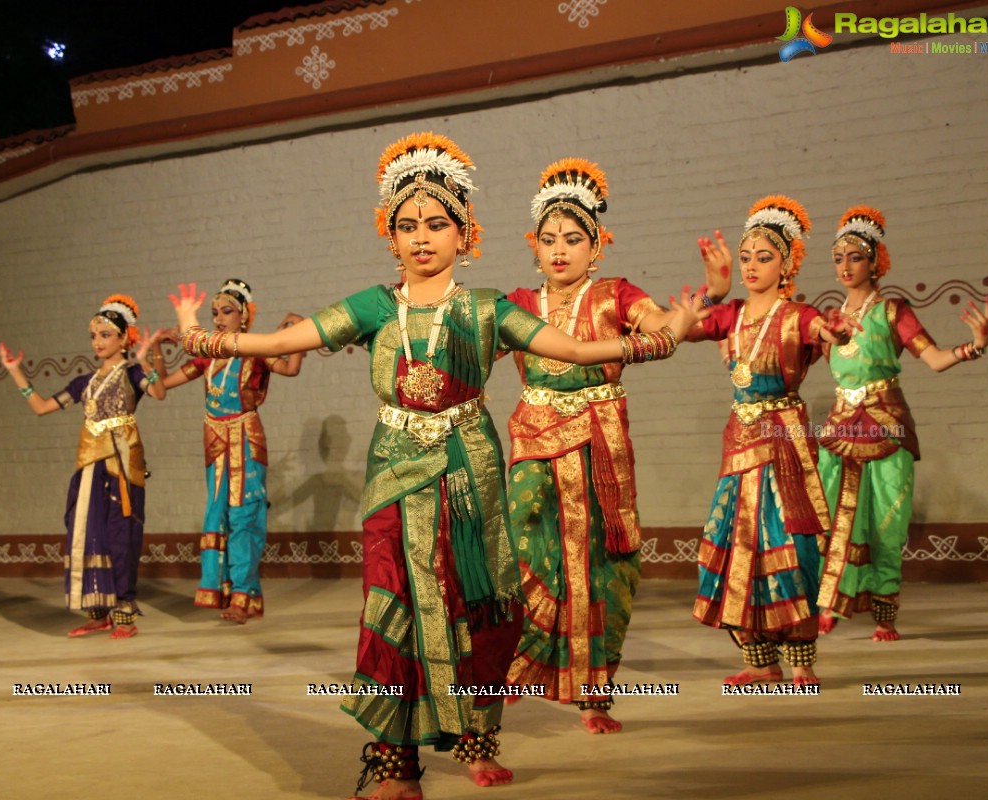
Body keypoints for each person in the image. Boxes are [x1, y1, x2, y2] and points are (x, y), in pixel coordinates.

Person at [169, 133, 706, 800]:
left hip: (469, 470)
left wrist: (666, 335)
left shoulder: (488, 310)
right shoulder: (372, 306)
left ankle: (478, 740)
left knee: (479, 607)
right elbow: (282, 341)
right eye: (406, 226)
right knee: (392, 602)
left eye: (436, 224)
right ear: (389, 238)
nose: (421, 237)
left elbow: (574, 349)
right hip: (394, 469)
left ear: (465, 235)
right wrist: (203, 337)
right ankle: (395, 763)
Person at [504, 158, 730, 733]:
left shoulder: (614, 294)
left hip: (598, 445)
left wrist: (710, 295)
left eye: (574, 240)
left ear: (596, 247)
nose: (560, 251)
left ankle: (593, 694)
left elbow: (669, 327)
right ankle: (520, 666)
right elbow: (465, 351)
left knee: (602, 562)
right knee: (524, 550)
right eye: (550, 240)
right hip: (533, 440)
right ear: (535, 246)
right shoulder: (517, 305)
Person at [688, 196, 858, 687]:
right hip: (740, 441)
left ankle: (801, 659)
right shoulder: (733, 314)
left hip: (782, 440)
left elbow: (828, 331)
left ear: (787, 263)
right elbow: (679, 328)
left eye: (764, 257)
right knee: (735, 542)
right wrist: (713, 290)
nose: (752, 266)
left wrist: (839, 333)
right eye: (745, 258)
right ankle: (759, 659)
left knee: (790, 541)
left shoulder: (798, 314)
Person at [816, 206, 988, 641]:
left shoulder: (893, 311)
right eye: (838, 257)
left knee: (885, 520)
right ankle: (830, 602)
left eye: (855, 257)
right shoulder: (828, 319)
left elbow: (933, 360)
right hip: (840, 428)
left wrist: (975, 347)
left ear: (876, 261)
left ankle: (884, 612)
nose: (845, 266)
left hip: (886, 425)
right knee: (833, 514)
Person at [0, 295, 165, 638]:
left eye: (105, 335)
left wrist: (146, 359)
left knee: (121, 536)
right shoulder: (84, 383)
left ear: (124, 338)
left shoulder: (132, 374)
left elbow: (160, 392)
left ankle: (124, 613)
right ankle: (98, 610)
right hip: (89, 466)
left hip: (121, 464)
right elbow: (42, 407)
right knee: (88, 534)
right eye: (94, 336)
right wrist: (16, 373)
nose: (98, 342)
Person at [150, 279, 303, 622]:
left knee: (243, 515)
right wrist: (157, 348)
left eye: (227, 312)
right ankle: (227, 591)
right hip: (216, 441)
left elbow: (291, 368)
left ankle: (242, 595)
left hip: (246, 438)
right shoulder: (208, 360)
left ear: (244, 317)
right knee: (217, 514)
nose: (219, 318)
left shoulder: (257, 351)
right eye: (214, 312)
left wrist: (300, 331)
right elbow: (162, 386)